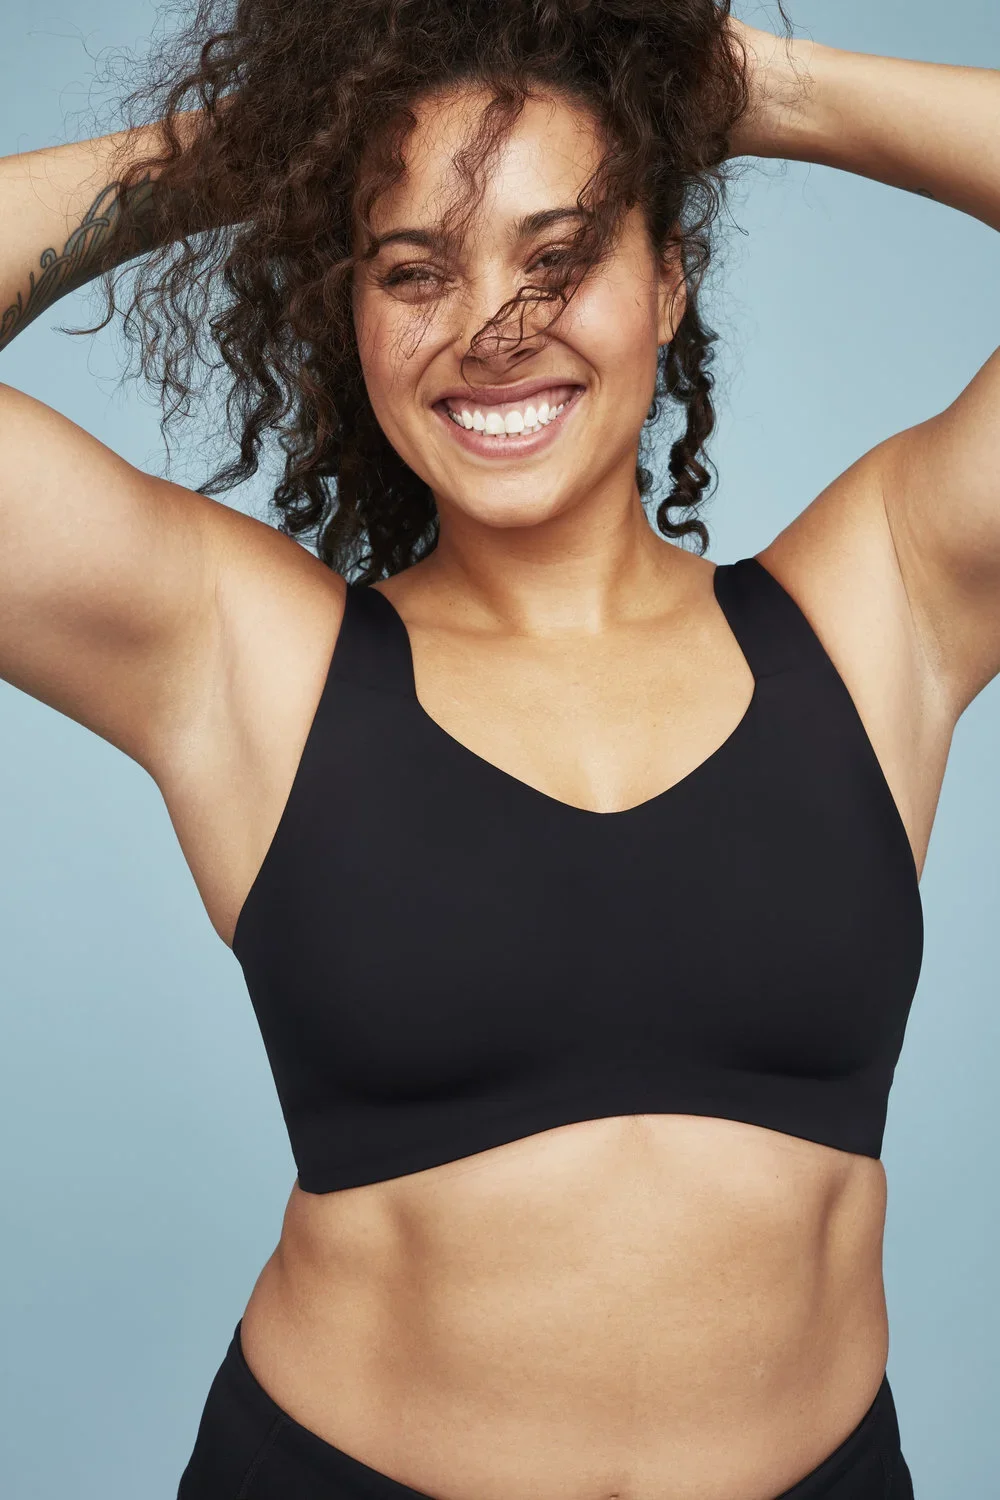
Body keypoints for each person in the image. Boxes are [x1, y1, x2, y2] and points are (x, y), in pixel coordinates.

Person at [1, 0, 997, 1494]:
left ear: (668, 278)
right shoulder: (238, 655)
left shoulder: (885, 605)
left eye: (562, 252)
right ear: (349, 310)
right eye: (416, 268)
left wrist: (740, 84)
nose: (492, 326)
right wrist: (266, 148)